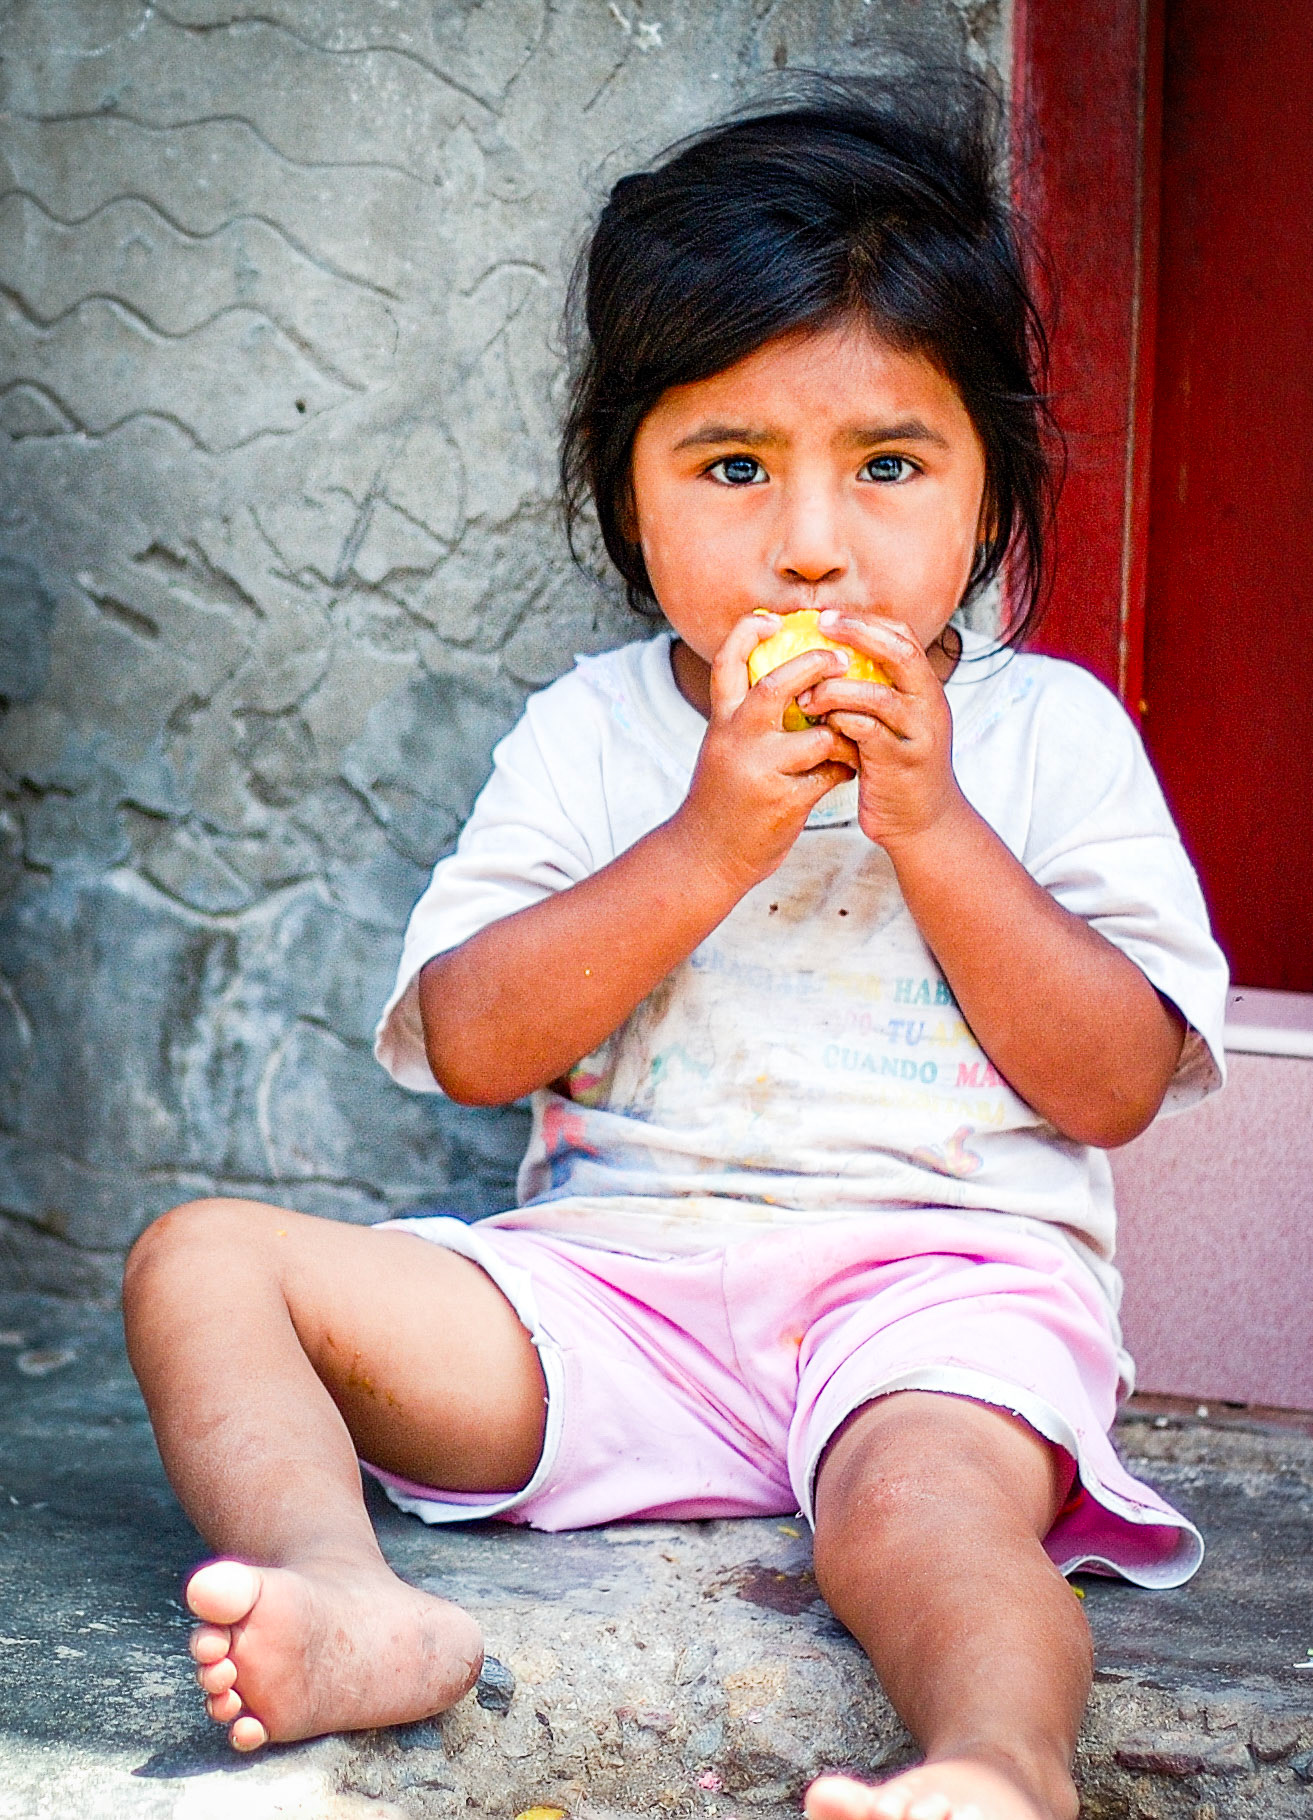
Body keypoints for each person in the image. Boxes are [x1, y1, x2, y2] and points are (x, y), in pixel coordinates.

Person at [123, 78, 1228, 1820]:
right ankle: (342, 1591)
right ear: (626, 495)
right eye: (731, 467)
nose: (810, 543)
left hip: (930, 1302)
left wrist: (934, 833)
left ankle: (993, 1771)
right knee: (202, 1260)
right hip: (610, 1298)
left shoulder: (1047, 740)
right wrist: (706, 842)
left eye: (888, 466)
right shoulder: (594, 733)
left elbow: (1108, 1088)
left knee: (928, 1518)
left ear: (991, 484)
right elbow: (479, 1044)